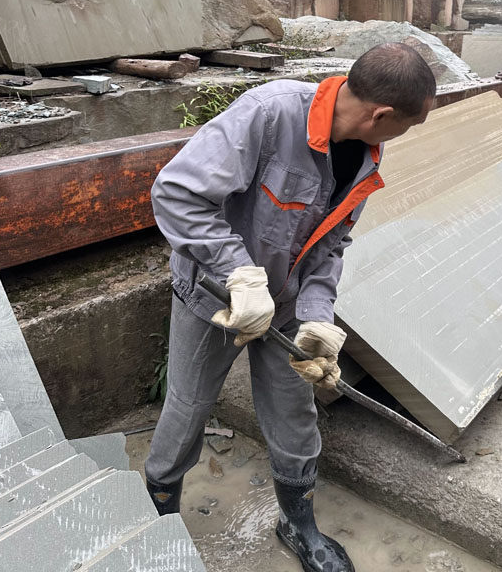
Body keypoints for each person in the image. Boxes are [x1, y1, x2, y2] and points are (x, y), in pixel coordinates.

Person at [145, 42, 436, 572]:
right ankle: (159, 514)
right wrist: (238, 273)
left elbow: (331, 244)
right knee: (187, 410)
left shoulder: (365, 155)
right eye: (408, 126)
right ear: (381, 114)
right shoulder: (269, 114)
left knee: (294, 412)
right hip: (214, 294)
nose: (404, 135)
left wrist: (317, 314)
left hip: (286, 305)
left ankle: (297, 521)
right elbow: (178, 194)